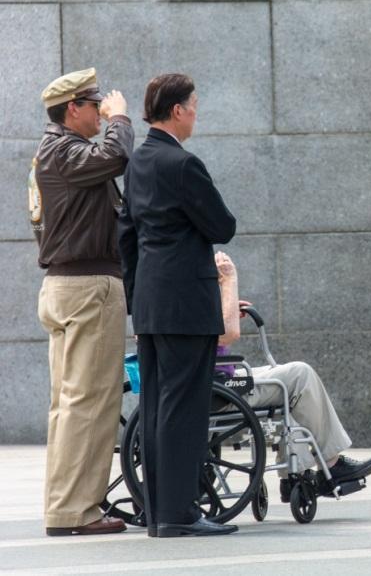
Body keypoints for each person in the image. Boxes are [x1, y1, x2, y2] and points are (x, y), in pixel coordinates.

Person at [117, 73, 237, 537]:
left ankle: (157, 508)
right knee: (184, 408)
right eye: (194, 104)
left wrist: (137, 297)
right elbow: (222, 225)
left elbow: (126, 235)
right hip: (186, 301)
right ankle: (177, 513)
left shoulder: (139, 162)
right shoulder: (183, 165)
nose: (197, 112)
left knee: (155, 405)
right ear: (178, 110)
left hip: (150, 300)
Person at [34, 68, 133, 536]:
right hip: (86, 286)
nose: (101, 112)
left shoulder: (55, 151)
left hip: (69, 287)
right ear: (73, 108)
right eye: (95, 106)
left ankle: (68, 506)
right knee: (88, 403)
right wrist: (122, 120)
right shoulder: (63, 150)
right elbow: (116, 156)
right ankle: (76, 511)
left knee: (71, 404)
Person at [213, 251, 371, 501]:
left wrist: (225, 308)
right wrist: (229, 280)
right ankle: (328, 466)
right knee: (300, 377)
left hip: (213, 378)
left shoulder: (164, 285)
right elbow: (226, 333)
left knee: (288, 382)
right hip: (221, 386)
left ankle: (301, 471)